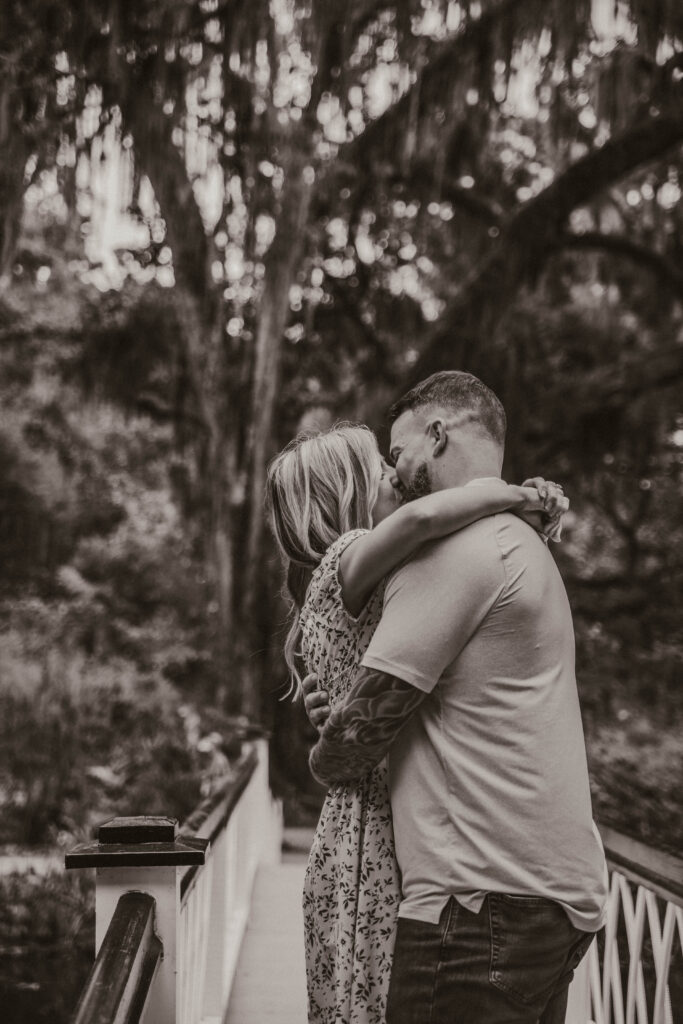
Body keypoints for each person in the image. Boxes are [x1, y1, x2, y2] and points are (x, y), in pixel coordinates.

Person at [303, 371, 608, 1024]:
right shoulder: (520, 540)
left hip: (477, 907)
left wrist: (325, 748)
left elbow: (356, 739)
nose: (394, 469)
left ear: (437, 433)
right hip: (549, 900)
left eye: (397, 451)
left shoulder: (453, 554)